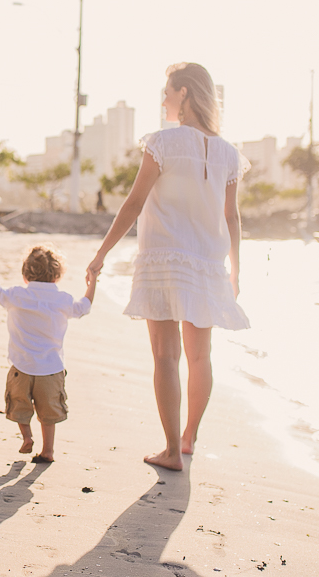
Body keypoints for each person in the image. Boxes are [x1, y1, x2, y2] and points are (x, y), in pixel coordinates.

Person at [85, 62, 249, 471]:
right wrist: (236, 269)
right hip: (208, 263)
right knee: (200, 357)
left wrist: (102, 253)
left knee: (165, 357)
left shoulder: (162, 142)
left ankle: (171, 451)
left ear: (185, 94)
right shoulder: (229, 154)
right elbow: (232, 218)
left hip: (162, 259)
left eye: (167, 91)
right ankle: (188, 437)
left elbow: (135, 202)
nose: (163, 99)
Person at [0, 245, 95, 463]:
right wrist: (93, 282)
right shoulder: (63, 300)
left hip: (21, 367)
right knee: (48, 414)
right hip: (51, 369)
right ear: (56, 276)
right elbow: (84, 307)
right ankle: (48, 450)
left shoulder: (16, 295)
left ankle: (27, 437)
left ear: (26, 274)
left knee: (20, 407)